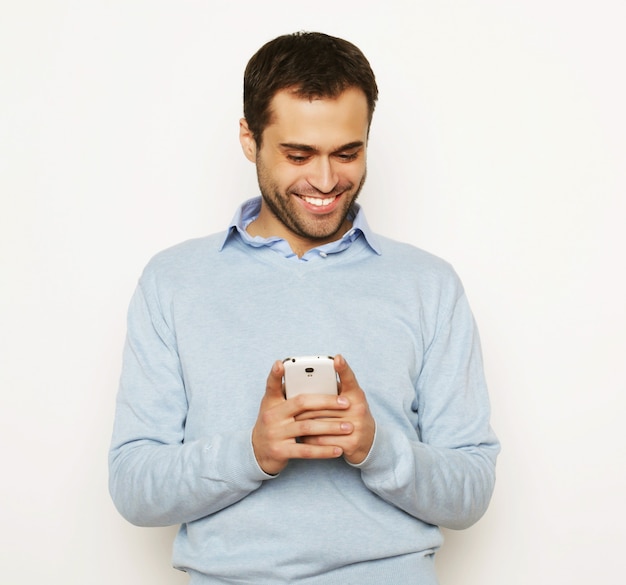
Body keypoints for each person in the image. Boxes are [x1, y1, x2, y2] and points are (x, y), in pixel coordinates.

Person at [109, 31, 500, 584]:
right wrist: (251, 452)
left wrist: (377, 448)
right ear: (249, 139)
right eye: (298, 155)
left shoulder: (428, 284)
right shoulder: (173, 281)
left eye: (347, 152)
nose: (325, 181)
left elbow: (471, 492)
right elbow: (133, 487)